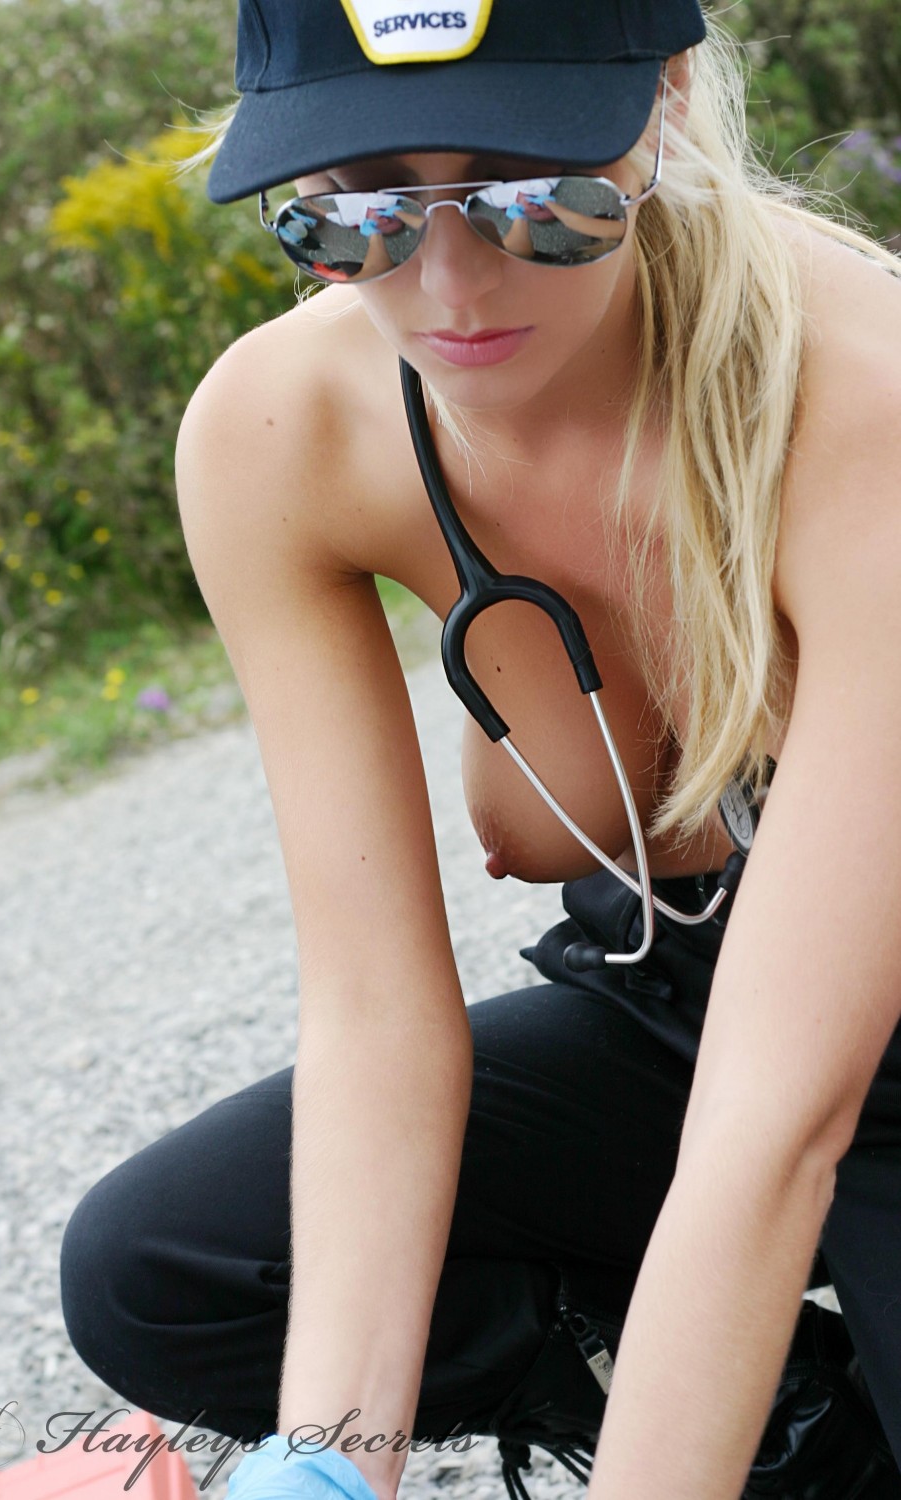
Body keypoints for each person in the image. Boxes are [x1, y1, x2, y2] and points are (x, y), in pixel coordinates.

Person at [59, 3, 901, 1497]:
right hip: (678, 990)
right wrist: (329, 1459)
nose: (448, 286)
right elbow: (378, 1014)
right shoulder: (280, 433)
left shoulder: (861, 393)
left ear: (664, 101)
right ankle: (799, 1439)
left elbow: (780, 1116)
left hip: (856, 1040)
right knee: (162, 1263)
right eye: (359, 212)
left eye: (534, 196)